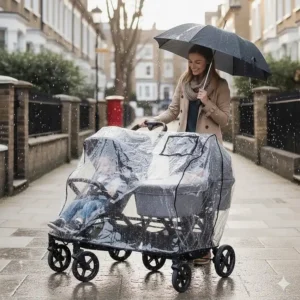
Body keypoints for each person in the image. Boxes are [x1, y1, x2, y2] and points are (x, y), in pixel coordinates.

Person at [140, 44, 230, 265]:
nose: (193, 66)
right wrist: (155, 120)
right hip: (183, 147)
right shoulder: (184, 81)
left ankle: (204, 247)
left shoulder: (220, 85)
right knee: (184, 195)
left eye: (198, 62)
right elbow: (172, 111)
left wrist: (207, 102)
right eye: (190, 61)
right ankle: (188, 241)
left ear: (208, 62)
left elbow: (225, 120)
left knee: (205, 199)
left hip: (207, 149)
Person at [48, 156, 127, 232]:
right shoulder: (99, 177)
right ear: (99, 168)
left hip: (104, 202)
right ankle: (63, 219)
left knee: (89, 204)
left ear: (116, 166)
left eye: (111, 165)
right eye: (105, 165)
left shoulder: (116, 179)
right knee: (76, 203)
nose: (109, 167)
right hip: (92, 198)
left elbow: (116, 190)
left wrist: (113, 190)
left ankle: (79, 221)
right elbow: (91, 188)